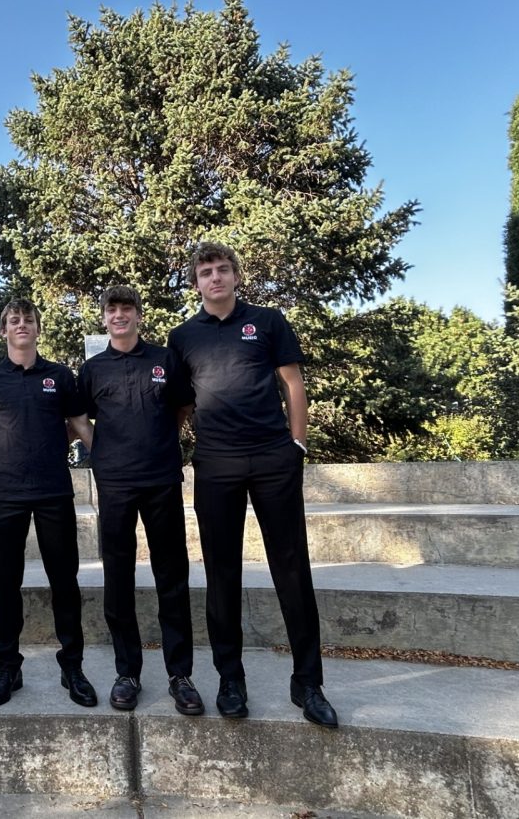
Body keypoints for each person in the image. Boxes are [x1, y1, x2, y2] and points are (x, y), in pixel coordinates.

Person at [167, 242, 338, 729]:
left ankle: (308, 684)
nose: (215, 277)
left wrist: (297, 446)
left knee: (292, 570)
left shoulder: (267, 321)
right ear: (196, 282)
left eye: (222, 269)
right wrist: (167, 453)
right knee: (221, 576)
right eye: (206, 271)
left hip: (272, 459)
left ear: (236, 276)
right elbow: (180, 407)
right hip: (216, 464)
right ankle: (230, 679)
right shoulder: (183, 338)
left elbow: (293, 383)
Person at [0, 298, 97, 709]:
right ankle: (8, 669)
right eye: (14, 320)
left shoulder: (60, 375)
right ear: (3, 331)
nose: (22, 325)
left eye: (28, 319)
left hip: (55, 492)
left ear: (38, 328)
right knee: (5, 585)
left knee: (64, 582)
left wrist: (110, 459)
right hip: (6, 495)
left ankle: (72, 666)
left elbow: (78, 426)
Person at [76, 285, 203, 716]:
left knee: (172, 575)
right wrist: (103, 450)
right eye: (112, 309)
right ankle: (127, 672)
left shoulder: (164, 359)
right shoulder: (93, 369)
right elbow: (79, 417)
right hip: (114, 484)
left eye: (127, 308)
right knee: (118, 578)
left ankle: (180, 675)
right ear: (105, 318)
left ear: (138, 315)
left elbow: (182, 408)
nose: (119, 315)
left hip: (161, 480)